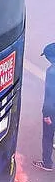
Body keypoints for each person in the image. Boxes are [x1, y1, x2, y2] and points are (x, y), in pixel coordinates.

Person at [36, 42, 55, 172]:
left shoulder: (52, 72)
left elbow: (50, 95)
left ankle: (47, 163)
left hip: (52, 110)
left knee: (47, 137)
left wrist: (47, 114)